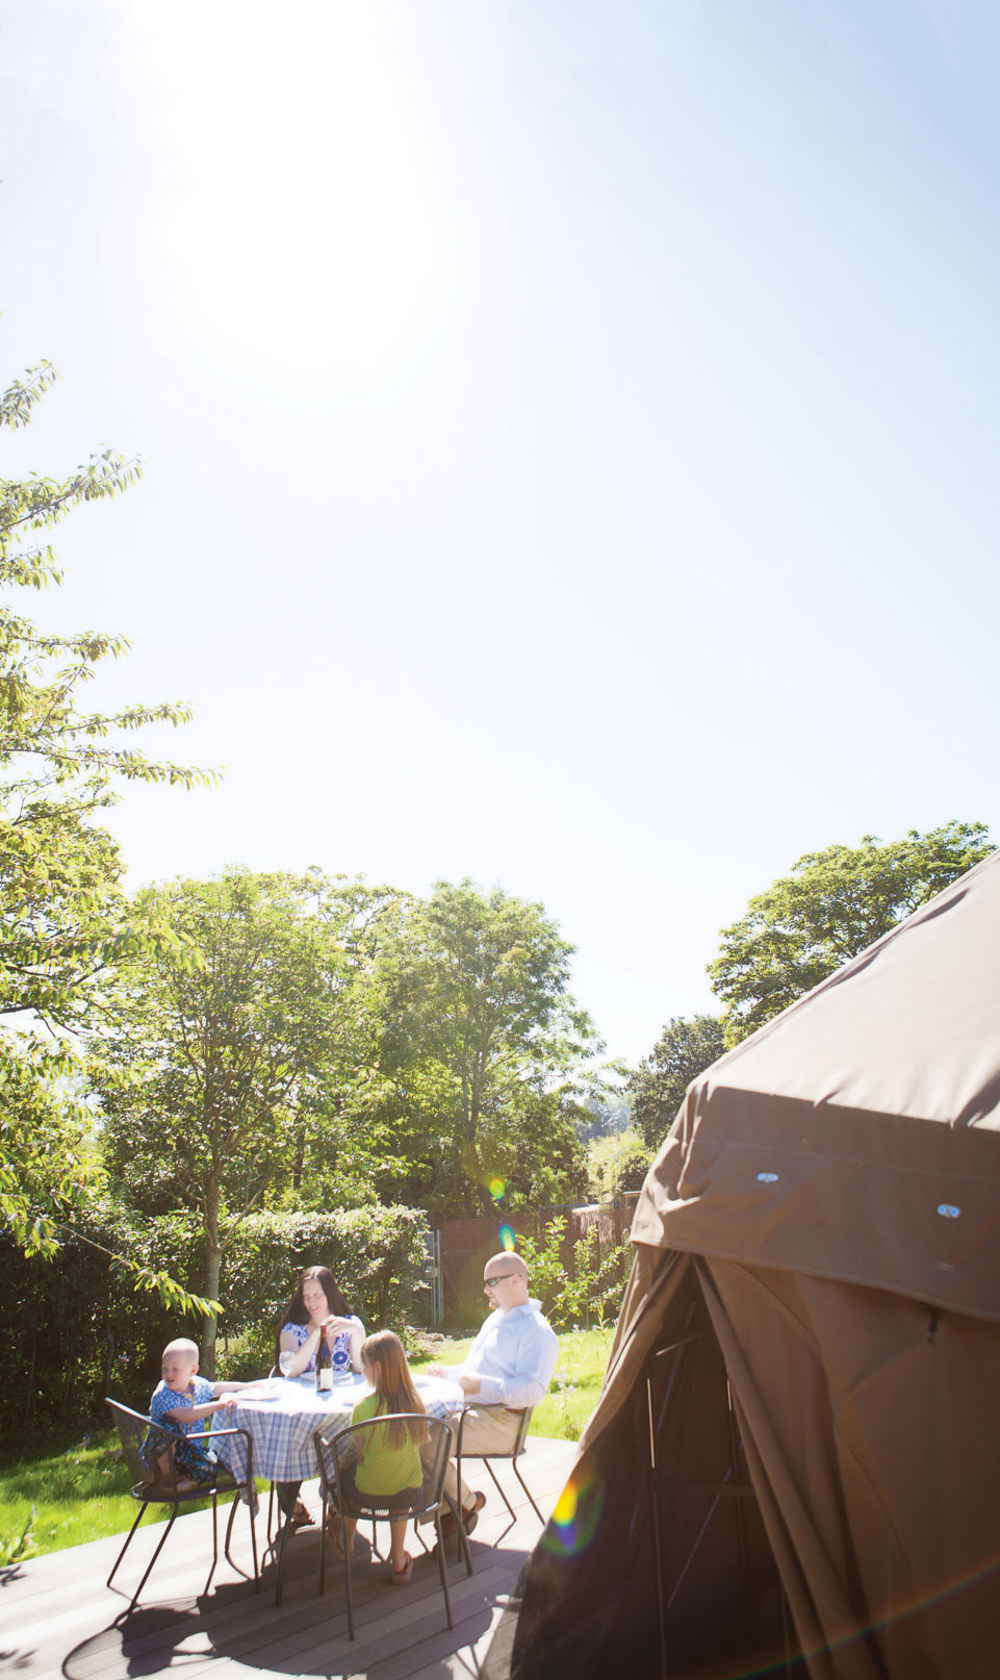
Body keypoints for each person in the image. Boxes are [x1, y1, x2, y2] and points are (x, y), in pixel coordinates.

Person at [427, 1250, 558, 1535]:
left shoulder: (537, 1331)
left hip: (502, 1422)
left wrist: (481, 1386)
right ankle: (456, 1509)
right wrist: (446, 1374)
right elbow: (477, 1371)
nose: (486, 1289)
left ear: (515, 1280)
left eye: (491, 1282)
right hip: (474, 1413)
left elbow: (533, 1392)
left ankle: (463, 1505)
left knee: (424, 1441)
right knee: (412, 1430)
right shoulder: (496, 1320)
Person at [329, 1329, 426, 1586]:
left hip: (366, 1492)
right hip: (409, 1491)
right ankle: (398, 1559)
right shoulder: (416, 1403)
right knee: (399, 1485)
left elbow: (361, 1456)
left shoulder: (363, 1408)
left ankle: (347, 1544)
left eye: (365, 1366)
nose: (363, 1372)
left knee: (347, 1480)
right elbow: (419, 1445)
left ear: (379, 1367)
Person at [273, 1265, 366, 1525]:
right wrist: (316, 1334)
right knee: (288, 1440)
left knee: (348, 1439)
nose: (311, 1303)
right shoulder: (293, 1330)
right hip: (302, 1408)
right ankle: (292, 1504)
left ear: (330, 1294)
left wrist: (356, 1332)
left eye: (317, 1295)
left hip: (338, 1406)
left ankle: (337, 1502)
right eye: (306, 1297)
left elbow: (360, 1368)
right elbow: (290, 1369)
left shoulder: (350, 1324)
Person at [145, 1337, 247, 1490]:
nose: (168, 1374)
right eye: (165, 1369)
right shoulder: (163, 1394)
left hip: (189, 1453)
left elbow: (216, 1388)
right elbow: (187, 1415)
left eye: (175, 1369)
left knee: (217, 1468)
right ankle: (167, 1477)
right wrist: (220, 1404)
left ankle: (185, 1483)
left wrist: (245, 1386)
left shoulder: (195, 1385)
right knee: (165, 1428)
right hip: (164, 1454)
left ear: (192, 1371)